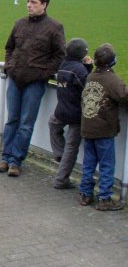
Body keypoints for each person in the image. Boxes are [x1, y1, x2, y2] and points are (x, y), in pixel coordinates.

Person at [0, 0, 66, 177]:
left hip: (35, 82)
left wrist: (44, 73)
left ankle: (16, 160)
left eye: (33, 2)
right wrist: (10, 66)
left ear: (44, 4)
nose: (29, 5)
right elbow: (9, 47)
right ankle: (6, 157)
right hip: (15, 78)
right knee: (12, 120)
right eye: (28, 1)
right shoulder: (19, 24)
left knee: (26, 123)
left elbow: (60, 56)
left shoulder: (54, 28)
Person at [79, 44, 128, 211]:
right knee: (107, 164)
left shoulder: (91, 76)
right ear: (112, 61)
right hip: (104, 129)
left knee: (88, 162)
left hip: (88, 126)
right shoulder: (111, 79)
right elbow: (123, 96)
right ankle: (104, 198)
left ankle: (85, 194)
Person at [48, 39, 92, 189]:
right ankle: (61, 179)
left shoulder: (63, 66)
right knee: (72, 148)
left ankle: (59, 154)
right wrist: (88, 67)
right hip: (76, 115)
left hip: (61, 111)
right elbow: (87, 88)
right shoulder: (80, 70)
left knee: (53, 124)